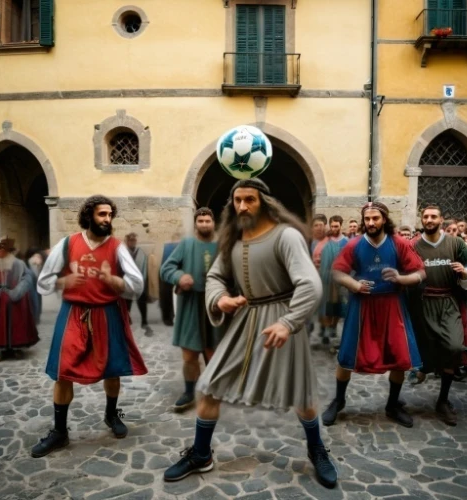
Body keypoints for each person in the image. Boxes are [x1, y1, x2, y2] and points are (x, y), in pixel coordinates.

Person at [164, 179, 338, 489]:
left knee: (301, 393)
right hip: (245, 320)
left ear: (265, 203)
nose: (242, 206)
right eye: (237, 200)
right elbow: (216, 276)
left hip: (282, 320)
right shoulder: (231, 241)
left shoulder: (286, 236)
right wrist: (220, 298)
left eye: (250, 199)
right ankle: (201, 454)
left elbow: (310, 284)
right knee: (211, 385)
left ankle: (317, 450)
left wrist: (288, 322)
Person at [31, 195, 148, 458]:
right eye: (101, 215)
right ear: (89, 216)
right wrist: (64, 282)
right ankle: (59, 432)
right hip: (73, 313)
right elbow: (44, 281)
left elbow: (137, 284)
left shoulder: (116, 247)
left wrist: (113, 281)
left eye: (109, 215)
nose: (107, 220)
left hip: (107, 314)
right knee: (62, 372)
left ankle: (111, 414)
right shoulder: (67, 243)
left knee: (113, 370)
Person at [322, 202, 425, 429]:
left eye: (375, 218)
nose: (370, 223)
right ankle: (338, 401)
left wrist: (401, 279)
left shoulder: (399, 243)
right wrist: (355, 285)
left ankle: (392, 405)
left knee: (398, 356)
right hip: (362, 306)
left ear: (384, 219)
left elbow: (420, 272)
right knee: (347, 355)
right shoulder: (355, 244)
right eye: (367, 219)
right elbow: (338, 272)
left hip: (392, 306)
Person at [408, 205, 467, 425]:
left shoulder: (455, 243)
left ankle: (443, 400)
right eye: (426, 216)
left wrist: (466, 273)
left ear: (441, 220)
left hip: (448, 302)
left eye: (433, 216)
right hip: (422, 304)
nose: (429, 220)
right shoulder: (412, 245)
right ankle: (420, 373)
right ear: (422, 219)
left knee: (454, 347)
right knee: (423, 350)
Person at [160, 208, 221, 412]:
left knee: (214, 352)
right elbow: (166, 268)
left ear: (214, 223)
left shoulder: (222, 246)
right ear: (196, 224)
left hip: (215, 306)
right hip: (191, 305)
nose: (204, 224)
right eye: (200, 221)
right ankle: (189, 391)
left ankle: (213, 389)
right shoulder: (186, 245)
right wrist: (179, 277)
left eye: (207, 220)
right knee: (189, 355)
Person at [0, 237, 40, 361]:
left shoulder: (17, 263)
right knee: (0, 324)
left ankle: (17, 349)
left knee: (17, 323)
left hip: (16, 299)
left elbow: (28, 277)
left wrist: (17, 291)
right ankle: (0, 350)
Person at [319, 216, 348, 346]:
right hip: (328, 279)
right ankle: (326, 328)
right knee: (328, 305)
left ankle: (333, 327)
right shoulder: (326, 242)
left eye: (336, 226)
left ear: (341, 226)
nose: (334, 228)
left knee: (339, 305)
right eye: (332, 226)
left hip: (341, 280)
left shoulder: (346, 242)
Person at [124, 232, 149, 329]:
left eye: (134, 240)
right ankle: (127, 320)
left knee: (142, 302)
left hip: (139, 281)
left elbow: (145, 267)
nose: (132, 242)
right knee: (127, 303)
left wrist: (143, 280)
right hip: (127, 282)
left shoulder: (141, 253)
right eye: (130, 240)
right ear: (127, 242)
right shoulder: (123, 253)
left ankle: (144, 321)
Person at [160, 234, 181, 326]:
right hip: (168, 273)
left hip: (173, 273)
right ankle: (168, 317)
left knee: (170, 297)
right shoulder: (169, 247)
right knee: (167, 297)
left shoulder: (169, 247)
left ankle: (170, 317)